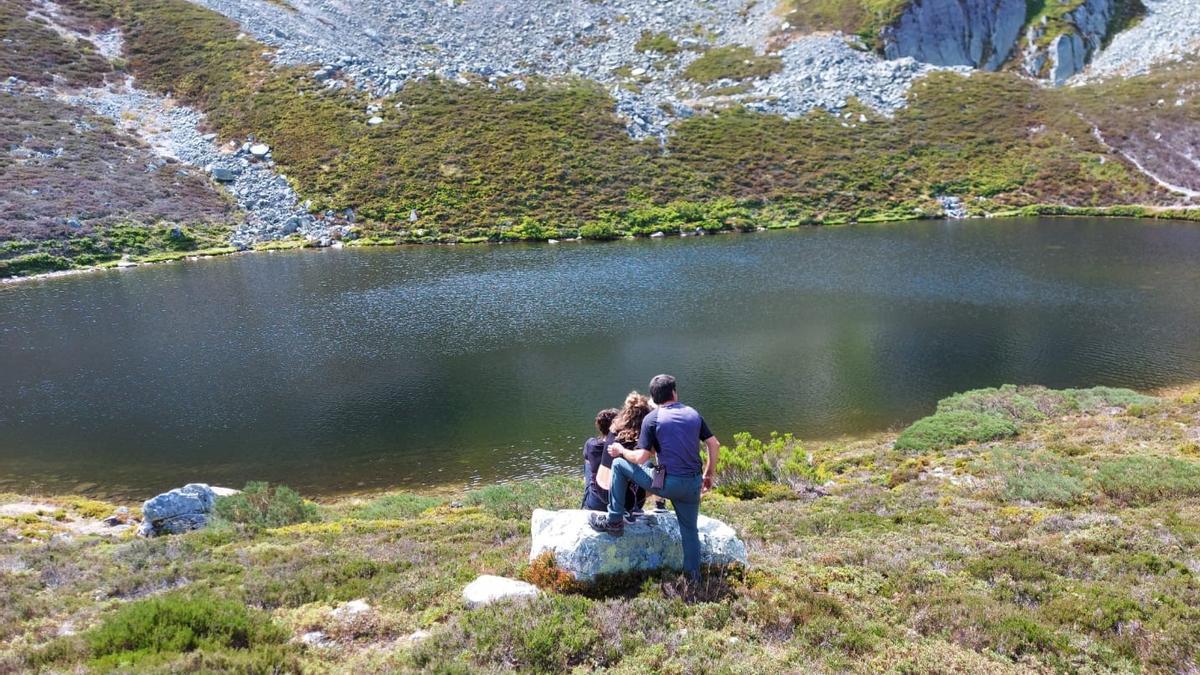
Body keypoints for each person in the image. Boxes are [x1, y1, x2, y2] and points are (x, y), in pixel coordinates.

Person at [588, 374, 719, 584]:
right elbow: (714, 445)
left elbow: (640, 457)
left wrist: (621, 450)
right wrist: (708, 475)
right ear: (674, 392)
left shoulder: (652, 419)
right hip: (692, 484)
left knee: (621, 465)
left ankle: (614, 521)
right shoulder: (693, 414)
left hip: (666, 486)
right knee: (689, 531)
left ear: (653, 397)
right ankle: (693, 579)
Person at [583, 393, 650, 516]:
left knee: (591, 464)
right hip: (622, 498)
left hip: (600, 489)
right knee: (653, 468)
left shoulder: (614, 429)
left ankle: (587, 504)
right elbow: (641, 458)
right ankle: (657, 505)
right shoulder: (638, 437)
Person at [581, 408, 619, 508]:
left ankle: (586, 499)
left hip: (595, 502)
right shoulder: (622, 447)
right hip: (618, 501)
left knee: (588, 464)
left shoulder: (591, 444)